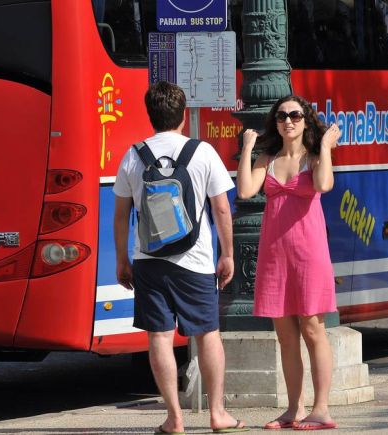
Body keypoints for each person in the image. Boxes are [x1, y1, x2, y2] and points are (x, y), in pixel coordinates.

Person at [113, 81, 248, 435]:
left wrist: (123, 260)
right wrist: (228, 254)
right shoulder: (202, 152)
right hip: (196, 261)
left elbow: (121, 215)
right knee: (207, 335)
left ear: (150, 115)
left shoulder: (133, 155)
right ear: (183, 115)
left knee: (159, 337)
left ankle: (174, 418)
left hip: (148, 260)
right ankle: (218, 414)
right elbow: (221, 208)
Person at [237, 95, 340, 431]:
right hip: (275, 257)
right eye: (282, 116)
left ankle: (321, 409)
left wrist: (324, 147)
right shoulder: (268, 158)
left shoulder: (314, 158)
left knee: (313, 329)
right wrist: (248, 150)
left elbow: (324, 184)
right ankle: (294, 408)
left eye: (295, 115)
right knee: (285, 337)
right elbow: (245, 191)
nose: (288, 121)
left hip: (309, 255)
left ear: (305, 120)